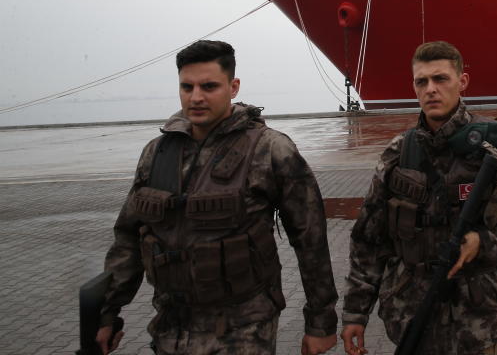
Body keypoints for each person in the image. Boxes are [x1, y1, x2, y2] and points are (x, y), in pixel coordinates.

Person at [95, 40, 338, 355]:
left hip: (244, 331)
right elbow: (128, 238)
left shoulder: (270, 150)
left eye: (209, 86)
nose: (196, 97)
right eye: (187, 86)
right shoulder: (156, 154)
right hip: (171, 327)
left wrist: (321, 323)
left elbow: (311, 241)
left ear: (233, 86)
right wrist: (107, 313)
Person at [340, 41, 497, 355]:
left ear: (462, 82)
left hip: (479, 321)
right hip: (411, 319)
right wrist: (355, 313)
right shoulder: (398, 154)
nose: (431, 89)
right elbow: (369, 239)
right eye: (422, 82)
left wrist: (485, 241)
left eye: (440, 79)